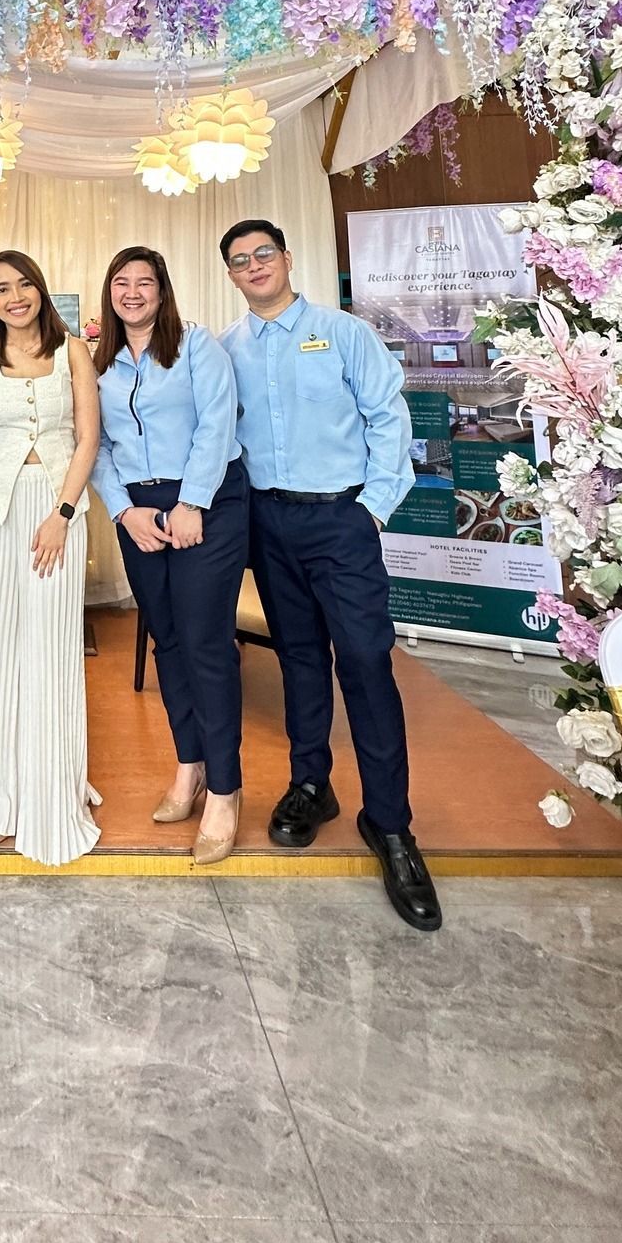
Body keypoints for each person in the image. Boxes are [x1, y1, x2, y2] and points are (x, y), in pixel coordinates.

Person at [218, 218, 441, 932]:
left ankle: (391, 823)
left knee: (368, 662)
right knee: (300, 661)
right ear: (230, 275)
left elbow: (388, 419)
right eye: (239, 261)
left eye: (263, 254)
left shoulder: (343, 333)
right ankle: (311, 783)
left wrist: (372, 510)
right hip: (268, 525)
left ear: (287, 258)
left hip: (342, 521)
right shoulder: (228, 351)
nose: (253, 266)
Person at [0, 250, 102, 866]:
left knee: (50, 643)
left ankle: (50, 788)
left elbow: (87, 438)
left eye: (24, 284)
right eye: (1, 289)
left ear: (41, 289)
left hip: (55, 509)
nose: (14, 297)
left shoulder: (73, 352)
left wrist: (61, 513)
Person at [90, 246, 247, 866]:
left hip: (206, 505)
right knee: (168, 643)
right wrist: (123, 512)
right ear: (111, 293)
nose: (132, 292)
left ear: (163, 290)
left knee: (206, 644)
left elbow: (217, 424)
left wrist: (192, 504)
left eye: (144, 283)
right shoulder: (99, 363)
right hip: (138, 514)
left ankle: (227, 791)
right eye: (120, 282)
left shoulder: (196, 345)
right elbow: (94, 442)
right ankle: (190, 768)